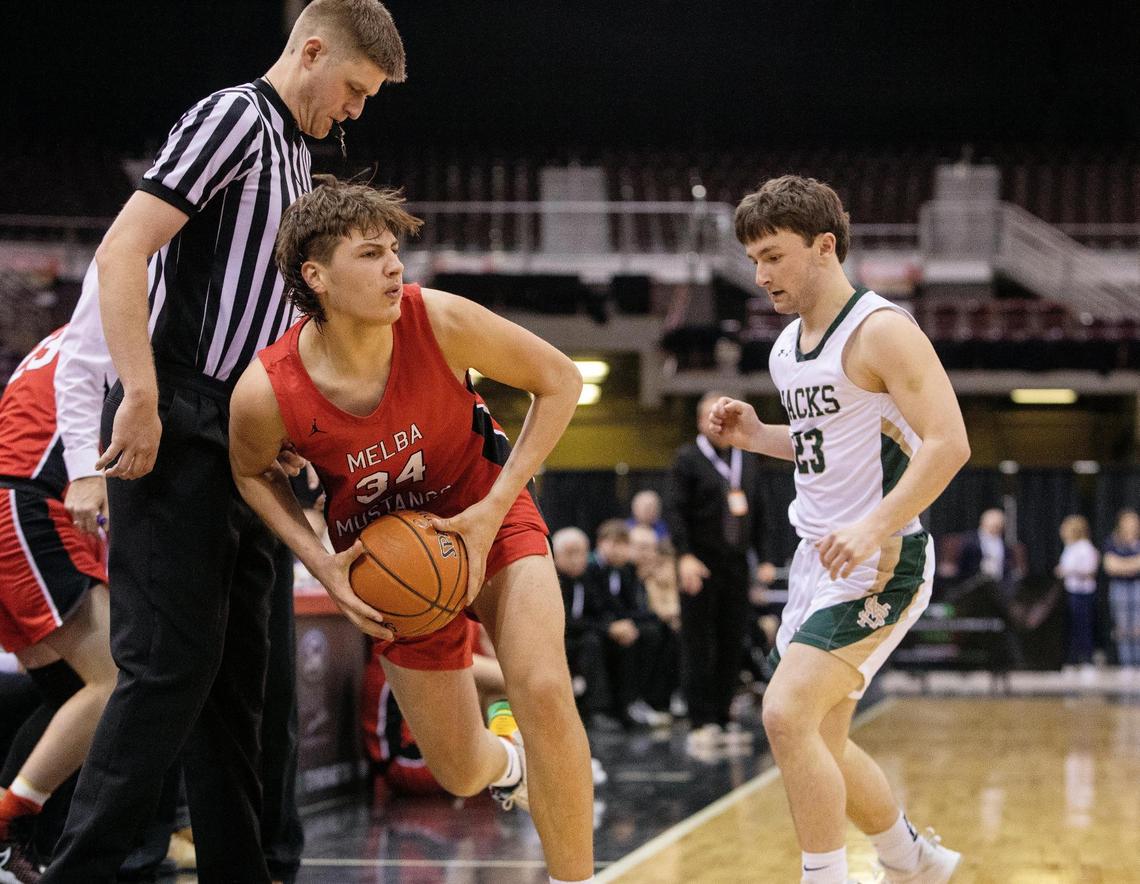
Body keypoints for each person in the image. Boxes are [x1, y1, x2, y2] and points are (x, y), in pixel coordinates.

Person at [41, 5, 407, 882]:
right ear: (311, 51)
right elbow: (122, 251)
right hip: (177, 408)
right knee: (168, 668)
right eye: (355, 88)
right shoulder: (235, 117)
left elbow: (265, 320)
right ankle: (83, 870)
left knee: (247, 683)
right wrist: (140, 393)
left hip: (241, 429)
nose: (356, 110)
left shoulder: (297, 157)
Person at [228, 182, 595, 883]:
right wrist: (321, 562)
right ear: (316, 275)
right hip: (390, 563)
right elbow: (250, 472)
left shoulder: (439, 319)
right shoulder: (268, 391)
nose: (395, 266)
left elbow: (561, 380)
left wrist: (496, 506)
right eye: (371, 253)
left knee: (544, 689)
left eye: (395, 250)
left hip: (487, 511)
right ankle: (509, 764)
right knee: (458, 770)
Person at [709, 175, 969, 884]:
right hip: (818, 562)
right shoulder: (786, 348)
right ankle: (912, 860)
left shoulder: (881, 330)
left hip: (882, 558)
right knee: (821, 738)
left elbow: (949, 443)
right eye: (753, 260)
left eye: (773, 256)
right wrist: (759, 435)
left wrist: (872, 525)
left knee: (785, 714)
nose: (760, 276)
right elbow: (825, 445)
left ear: (824, 246)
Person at [0, 328, 118, 882]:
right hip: (29, 505)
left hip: (22, 503)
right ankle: (9, 824)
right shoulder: (124, 325)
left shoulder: (67, 335)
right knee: (116, 680)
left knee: (71, 693)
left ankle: (13, 845)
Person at [665, 391, 775, 751]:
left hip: (736, 564)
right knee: (699, 642)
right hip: (700, 563)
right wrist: (684, 556)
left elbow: (760, 511)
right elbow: (675, 511)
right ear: (701, 421)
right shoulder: (687, 459)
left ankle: (725, 717)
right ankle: (701, 721)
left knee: (732, 640)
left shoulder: (747, 459)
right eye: (712, 417)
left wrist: (765, 557)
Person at [584, 520, 670, 728]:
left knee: (655, 631)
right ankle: (611, 707)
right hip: (595, 626)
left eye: (624, 544)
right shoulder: (589, 568)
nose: (620, 550)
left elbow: (628, 606)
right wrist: (612, 626)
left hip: (618, 623)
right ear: (602, 543)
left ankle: (644, 698)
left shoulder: (623, 570)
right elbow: (594, 608)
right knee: (603, 641)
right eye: (615, 543)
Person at [552, 527, 614, 729]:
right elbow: (565, 620)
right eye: (570, 553)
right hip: (559, 637)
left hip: (584, 633)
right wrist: (606, 628)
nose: (577, 559)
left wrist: (612, 627)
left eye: (581, 553)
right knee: (592, 642)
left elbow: (600, 609)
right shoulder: (552, 580)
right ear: (556, 555)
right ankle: (594, 709)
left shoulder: (588, 578)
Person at [1055, 515, 1099, 676]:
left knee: (1083, 625)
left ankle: (1087, 658)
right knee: (1072, 626)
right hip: (1070, 590)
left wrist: (1069, 571)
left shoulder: (1085, 547)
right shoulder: (1070, 547)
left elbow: (1090, 570)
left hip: (1082, 592)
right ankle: (1072, 658)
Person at [953, 508, 1023, 601]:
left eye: (999, 525)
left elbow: (1007, 566)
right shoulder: (969, 540)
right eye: (994, 524)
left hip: (1000, 584)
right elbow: (963, 564)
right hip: (975, 583)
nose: (997, 527)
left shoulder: (1005, 545)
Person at [1104, 508, 1140, 674]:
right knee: (1122, 625)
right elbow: (1110, 566)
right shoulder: (1113, 542)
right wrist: (1132, 564)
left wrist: (1122, 564)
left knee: (1137, 625)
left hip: (1136, 586)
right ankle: (1126, 663)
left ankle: (1137, 662)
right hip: (1119, 587)